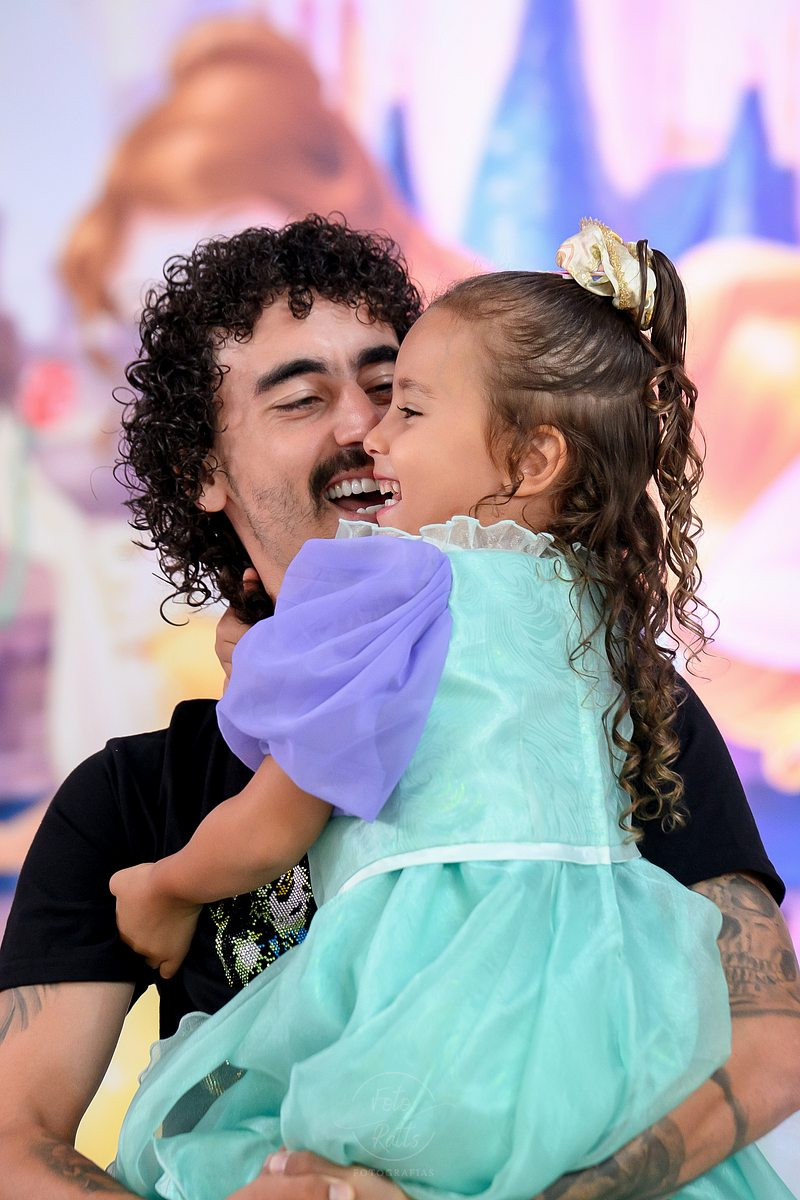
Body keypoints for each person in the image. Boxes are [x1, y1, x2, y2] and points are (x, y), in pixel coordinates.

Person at [0, 217, 796, 1200]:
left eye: (395, 393)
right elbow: (14, 1142)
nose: (363, 427)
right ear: (203, 470)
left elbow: (768, 1045)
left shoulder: (613, 694)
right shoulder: (130, 796)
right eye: (302, 398)